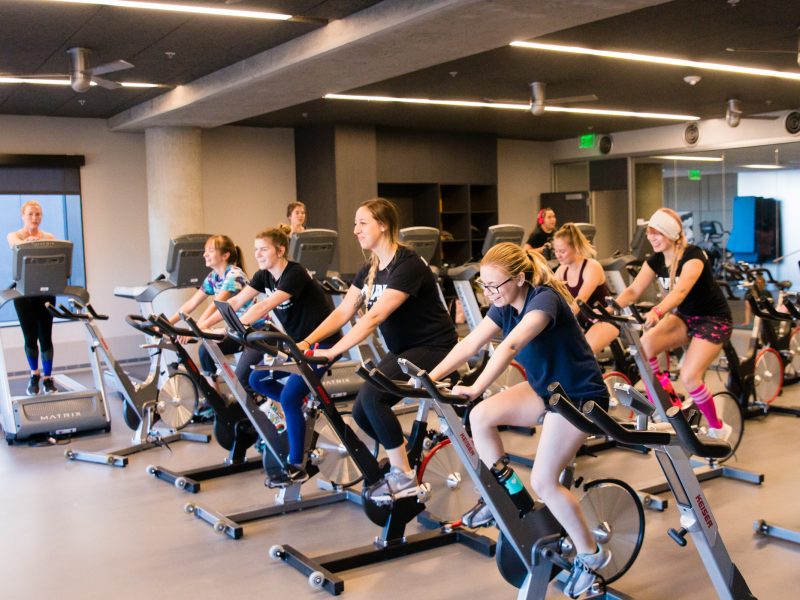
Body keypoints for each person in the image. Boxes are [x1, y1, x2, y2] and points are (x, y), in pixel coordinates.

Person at [426, 242, 611, 598]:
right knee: (479, 416)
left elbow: (509, 347)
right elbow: (469, 345)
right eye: (485, 286)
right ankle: (510, 498)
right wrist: (428, 378)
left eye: (496, 285)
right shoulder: (502, 305)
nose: (490, 293)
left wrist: (476, 386)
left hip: (579, 397)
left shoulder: (544, 300)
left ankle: (591, 555)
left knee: (544, 480)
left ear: (520, 278)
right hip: (546, 390)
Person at [300, 198, 457, 503]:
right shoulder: (370, 268)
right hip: (403, 349)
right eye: (355, 223)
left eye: (362, 223)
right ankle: (402, 459)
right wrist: (306, 343)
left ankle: (404, 477)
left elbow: (374, 317)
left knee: (374, 399)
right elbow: (343, 311)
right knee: (361, 412)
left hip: (434, 347)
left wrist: (333, 353)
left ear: (383, 225)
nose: (355, 230)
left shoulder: (407, 263)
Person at [207, 227, 340, 485]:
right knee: (257, 380)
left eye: (264, 249)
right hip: (298, 346)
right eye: (255, 249)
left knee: (289, 398)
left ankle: (297, 466)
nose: (257, 254)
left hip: (323, 343)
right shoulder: (264, 276)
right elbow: (235, 302)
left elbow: (265, 305)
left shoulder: (295, 273)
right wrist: (208, 328)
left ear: (280, 250)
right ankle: (299, 410)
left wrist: (232, 328)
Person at [614, 208, 733, 440]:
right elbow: (633, 290)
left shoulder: (694, 256)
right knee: (644, 347)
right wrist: (607, 309)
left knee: (690, 376)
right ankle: (666, 402)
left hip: (713, 319)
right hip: (685, 318)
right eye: (649, 233)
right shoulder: (656, 260)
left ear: (671, 234)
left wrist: (658, 311)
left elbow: (680, 292)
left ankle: (718, 427)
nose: (651, 238)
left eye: (657, 233)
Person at [169, 235, 249, 387]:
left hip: (249, 330)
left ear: (225, 255)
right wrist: (167, 323)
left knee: (206, 350)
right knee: (205, 351)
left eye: (210, 251)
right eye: (205, 251)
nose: (205, 254)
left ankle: (216, 399)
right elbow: (192, 303)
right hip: (235, 329)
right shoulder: (213, 277)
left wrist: (196, 327)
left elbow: (216, 305)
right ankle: (215, 401)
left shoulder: (234, 275)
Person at [6, 201, 57, 396]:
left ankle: (48, 378)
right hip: (23, 294)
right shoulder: (14, 236)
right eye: (30, 214)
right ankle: (34, 375)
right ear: (23, 215)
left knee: (45, 337)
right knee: (30, 338)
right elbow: (16, 245)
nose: (34, 218)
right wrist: (31, 242)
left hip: (45, 293)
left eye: (37, 214)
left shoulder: (50, 237)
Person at [552, 223, 619, 354]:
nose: (558, 255)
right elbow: (549, 295)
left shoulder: (591, 267)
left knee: (580, 355)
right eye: (556, 251)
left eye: (562, 251)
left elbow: (581, 300)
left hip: (605, 320)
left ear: (576, 248)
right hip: (582, 324)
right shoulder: (561, 271)